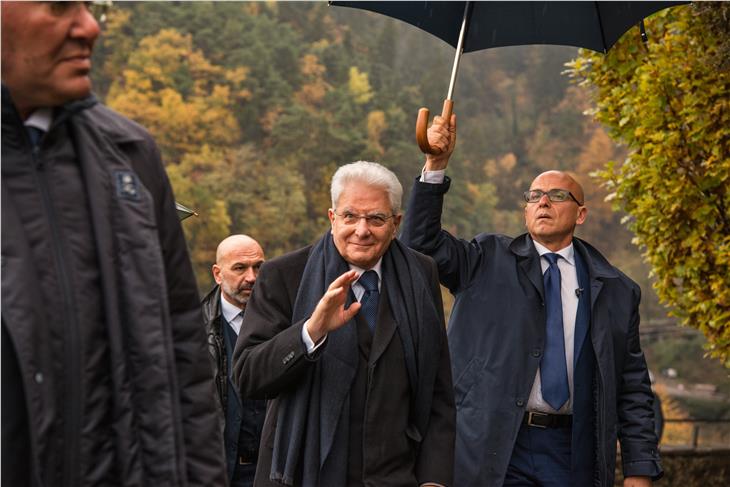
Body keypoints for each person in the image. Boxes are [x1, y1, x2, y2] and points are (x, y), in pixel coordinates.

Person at [1, 3, 225, 486]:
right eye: (60, 5)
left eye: (89, 6)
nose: (88, 27)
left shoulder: (130, 158)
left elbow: (185, 358)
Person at [400, 116, 662, 487]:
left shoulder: (617, 289)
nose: (543, 202)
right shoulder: (486, 258)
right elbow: (420, 246)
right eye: (534, 195)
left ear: (581, 213)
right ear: (525, 211)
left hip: (571, 449)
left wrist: (639, 469)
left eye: (557, 196)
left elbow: (632, 386)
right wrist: (436, 166)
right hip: (491, 440)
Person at [233, 161, 456, 486]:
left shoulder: (421, 273)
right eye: (350, 216)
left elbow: (438, 388)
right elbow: (247, 376)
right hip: (304, 476)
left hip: (395, 476)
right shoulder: (284, 276)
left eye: (376, 218)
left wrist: (434, 479)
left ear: (396, 223)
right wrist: (311, 331)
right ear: (332, 218)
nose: (361, 230)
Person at [202, 235, 267, 486]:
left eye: (259, 267)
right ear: (218, 274)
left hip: (273, 472)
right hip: (220, 473)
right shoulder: (193, 332)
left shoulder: (287, 323)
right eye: (240, 268)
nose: (251, 277)